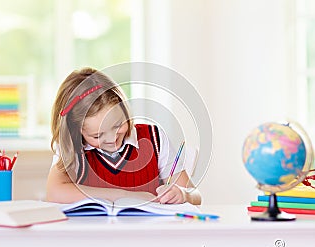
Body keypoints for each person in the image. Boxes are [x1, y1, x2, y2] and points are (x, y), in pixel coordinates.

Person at [46, 67, 201, 205]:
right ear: (77, 131)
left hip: (151, 234)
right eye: (97, 135)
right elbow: (54, 192)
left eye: (117, 125)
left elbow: (195, 195)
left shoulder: (155, 138)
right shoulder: (73, 147)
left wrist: (183, 194)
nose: (112, 138)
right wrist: (124, 196)